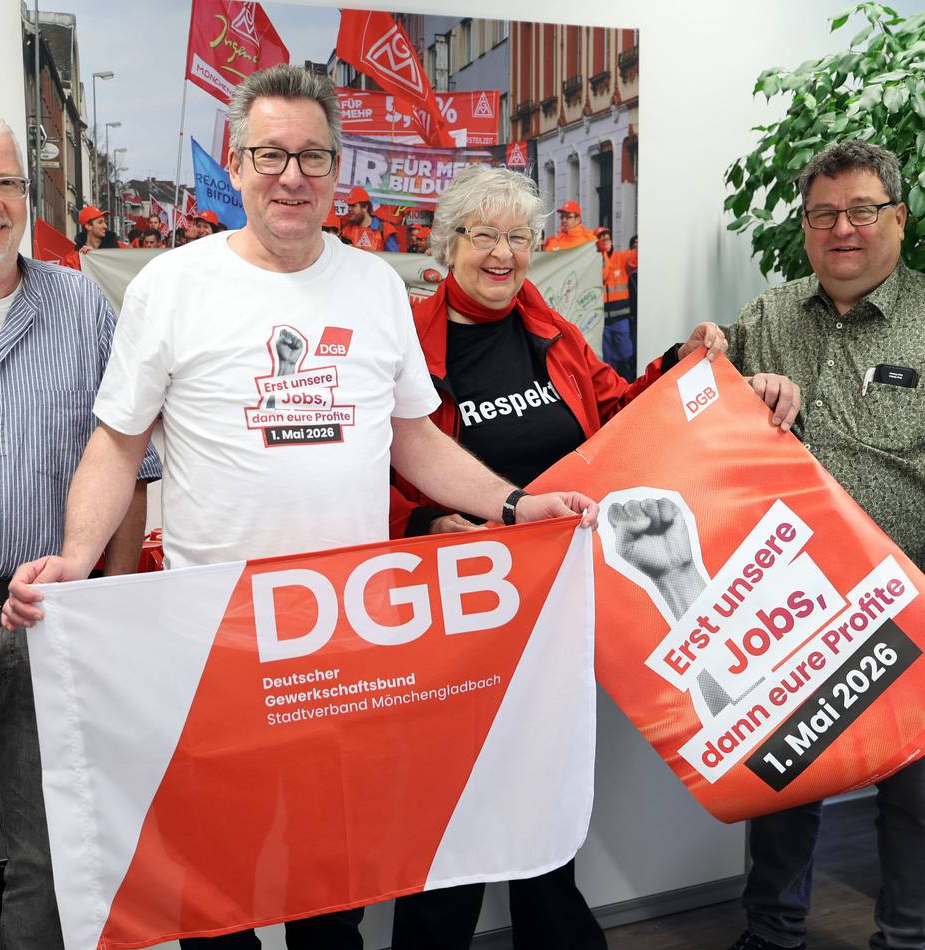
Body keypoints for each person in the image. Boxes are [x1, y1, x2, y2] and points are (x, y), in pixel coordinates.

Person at [2, 66, 598, 950]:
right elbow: (118, 442)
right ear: (238, 165)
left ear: (336, 170)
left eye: (313, 157)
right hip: (216, 642)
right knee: (216, 883)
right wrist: (76, 560)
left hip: (342, 642)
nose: (293, 176)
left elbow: (416, 441)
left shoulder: (374, 289)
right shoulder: (172, 285)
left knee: (333, 882)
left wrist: (516, 507)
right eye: (272, 155)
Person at [388, 164, 797, 950]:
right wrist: (432, 521)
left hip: (557, 609)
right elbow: (380, 462)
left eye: (519, 238)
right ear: (449, 246)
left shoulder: (552, 331)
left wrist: (687, 361)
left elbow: (615, 410)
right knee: (455, 820)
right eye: (485, 235)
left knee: (546, 800)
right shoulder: (410, 339)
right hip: (458, 616)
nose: (503, 253)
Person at [722, 139, 924, 950]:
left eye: (861, 211)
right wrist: (709, 362)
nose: (842, 229)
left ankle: (905, 940)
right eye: (822, 215)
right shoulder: (770, 316)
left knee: (913, 795)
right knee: (783, 783)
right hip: (790, 608)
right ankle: (771, 936)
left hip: (907, 603)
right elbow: (693, 401)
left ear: (899, 221)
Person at [0, 108, 161, 948]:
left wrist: (114, 607)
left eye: (5, 182)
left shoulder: (82, 304)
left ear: (27, 192)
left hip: (52, 621)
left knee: (48, 848)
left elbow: (130, 464)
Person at [596, 225, 637, 381]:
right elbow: (602, 276)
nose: (604, 239)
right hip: (603, 321)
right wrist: (603, 255)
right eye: (601, 238)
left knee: (626, 357)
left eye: (606, 236)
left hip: (621, 319)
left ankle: (629, 386)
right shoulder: (596, 262)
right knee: (608, 362)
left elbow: (635, 258)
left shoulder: (621, 258)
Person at [339, 186, 399, 251]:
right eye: (349, 205)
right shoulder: (345, 227)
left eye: (353, 205)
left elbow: (393, 258)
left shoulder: (385, 229)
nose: (349, 209)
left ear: (365, 207)